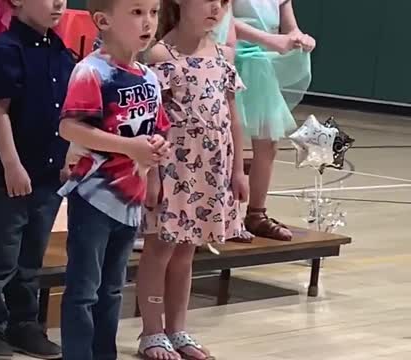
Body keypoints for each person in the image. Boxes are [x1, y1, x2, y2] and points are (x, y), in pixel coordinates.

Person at [57, 0, 171, 358]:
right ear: (103, 21)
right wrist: (128, 147)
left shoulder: (149, 77)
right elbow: (70, 127)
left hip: (131, 200)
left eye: (153, 12)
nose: (148, 22)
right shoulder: (91, 72)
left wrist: (155, 148)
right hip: (93, 196)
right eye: (136, 13)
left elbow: (156, 130)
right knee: (85, 290)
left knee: (112, 289)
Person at [137, 1, 249, 359]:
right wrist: (152, 176)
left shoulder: (223, 55)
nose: (215, 8)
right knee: (160, 249)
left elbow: (233, 117)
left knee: (187, 250)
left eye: (222, 2)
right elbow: (151, 120)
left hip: (211, 169)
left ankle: (178, 328)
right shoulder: (158, 53)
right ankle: (152, 331)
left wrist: (238, 170)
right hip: (173, 168)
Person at [0, 1, 74, 359]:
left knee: (31, 259)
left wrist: (67, 157)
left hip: (47, 175)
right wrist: (12, 164)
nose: (58, 2)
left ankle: (24, 325)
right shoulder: (3, 49)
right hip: (9, 174)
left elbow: (67, 113)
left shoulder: (62, 52)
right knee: (1, 256)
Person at [233, 0, 315, 241]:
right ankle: (222, 214)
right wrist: (269, 40)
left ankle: (256, 214)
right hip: (230, 57)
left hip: (260, 63)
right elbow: (221, 20)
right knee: (226, 140)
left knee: (268, 142)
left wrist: (301, 38)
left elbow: (291, 28)